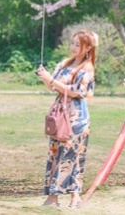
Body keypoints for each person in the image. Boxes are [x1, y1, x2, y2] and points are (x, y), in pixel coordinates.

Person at [36, 29, 97, 208]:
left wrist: (52, 81)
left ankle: (55, 197)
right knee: (57, 153)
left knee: (71, 155)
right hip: (60, 114)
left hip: (76, 118)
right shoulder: (64, 64)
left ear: (88, 48)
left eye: (78, 45)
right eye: (72, 43)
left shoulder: (87, 68)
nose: (73, 47)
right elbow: (52, 88)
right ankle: (71, 197)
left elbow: (78, 92)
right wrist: (44, 77)